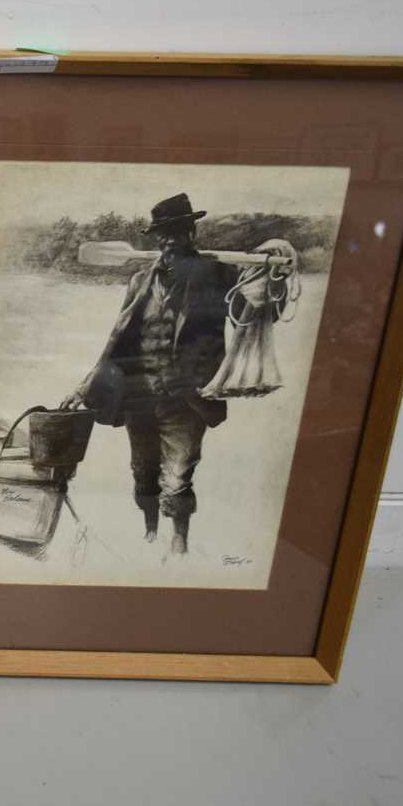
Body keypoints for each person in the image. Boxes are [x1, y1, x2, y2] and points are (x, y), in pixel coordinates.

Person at [59, 194, 238, 555]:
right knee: (143, 473)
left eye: (176, 231)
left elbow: (251, 308)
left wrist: (272, 276)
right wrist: (84, 387)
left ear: (191, 232)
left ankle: (179, 542)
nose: (169, 240)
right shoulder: (140, 279)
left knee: (178, 474)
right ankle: (150, 531)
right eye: (162, 233)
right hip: (138, 394)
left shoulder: (218, 275)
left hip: (187, 394)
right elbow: (116, 339)